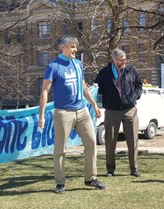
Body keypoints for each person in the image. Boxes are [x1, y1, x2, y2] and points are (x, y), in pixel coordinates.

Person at [38, 35, 105, 194]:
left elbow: (83, 87)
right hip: (63, 113)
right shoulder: (53, 66)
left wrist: (94, 105)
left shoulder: (78, 64)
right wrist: (41, 115)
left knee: (91, 142)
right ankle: (60, 183)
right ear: (63, 48)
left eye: (76, 47)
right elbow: (45, 91)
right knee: (60, 149)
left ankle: (91, 178)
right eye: (72, 47)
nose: (76, 49)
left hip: (82, 111)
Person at [95, 48, 143, 177]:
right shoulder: (104, 73)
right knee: (110, 141)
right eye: (121, 59)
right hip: (111, 111)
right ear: (115, 60)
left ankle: (134, 169)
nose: (124, 61)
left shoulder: (131, 70)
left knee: (133, 140)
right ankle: (110, 169)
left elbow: (139, 85)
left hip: (130, 110)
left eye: (125, 59)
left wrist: (135, 96)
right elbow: (96, 88)